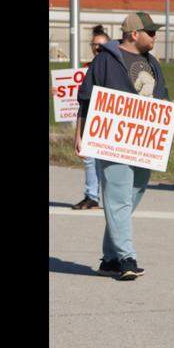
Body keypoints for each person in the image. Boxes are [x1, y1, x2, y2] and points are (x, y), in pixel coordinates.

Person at [76, 12, 174, 280]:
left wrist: (173, 109)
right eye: (150, 32)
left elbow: (161, 98)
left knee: (130, 195)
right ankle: (127, 258)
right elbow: (86, 99)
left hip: (144, 143)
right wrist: (79, 135)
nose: (155, 37)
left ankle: (110, 259)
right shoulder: (105, 60)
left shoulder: (152, 62)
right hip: (111, 141)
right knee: (118, 197)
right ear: (134, 34)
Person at [68, 25, 109, 210]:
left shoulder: (115, 68)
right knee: (90, 159)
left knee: (109, 163)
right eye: (94, 45)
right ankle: (91, 196)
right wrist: (79, 133)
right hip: (91, 119)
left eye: (101, 45)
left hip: (110, 122)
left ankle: (111, 199)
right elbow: (82, 100)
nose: (97, 48)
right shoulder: (88, 69)